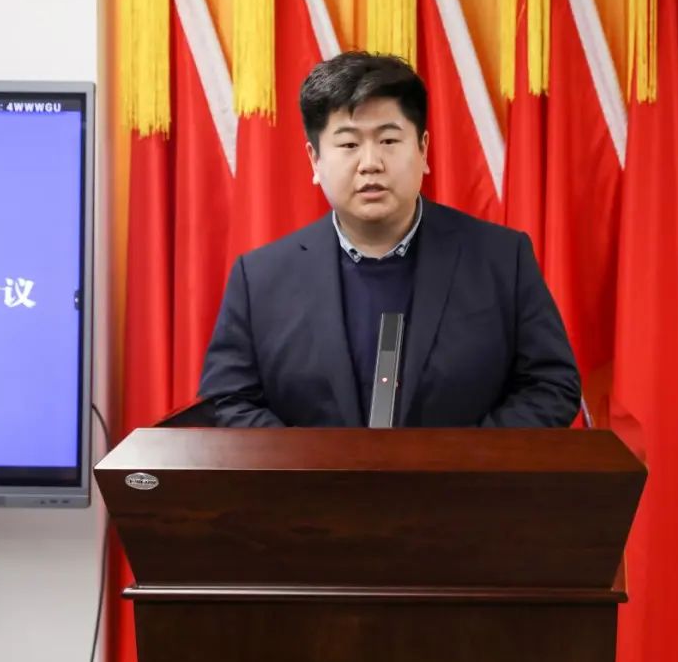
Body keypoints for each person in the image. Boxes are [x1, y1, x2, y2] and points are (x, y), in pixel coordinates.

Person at [198, 52, 580, 428]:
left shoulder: (502, 259)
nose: (370, 163)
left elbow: (551, 386)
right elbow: (229, 398)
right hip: (309, 473)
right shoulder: (260, 279)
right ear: (315, 160)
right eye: (349, 145)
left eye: (388, 140)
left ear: (423, 149)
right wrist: (306, 462)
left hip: (463, 472)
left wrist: (465, 459)